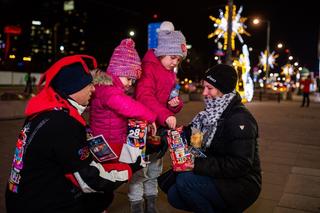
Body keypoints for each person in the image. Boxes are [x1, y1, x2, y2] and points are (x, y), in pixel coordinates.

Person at [5, 55, 141, 213]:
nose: (93, 89)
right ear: (73, 88)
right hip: (37, 205)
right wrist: (130, 167)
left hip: (21, 198)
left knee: (98, 196)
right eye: (89, 84)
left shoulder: (44, 113)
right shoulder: (63, 123)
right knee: (101, 194)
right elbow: (91, 180)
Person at [167, 64, 261, 213]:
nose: (204, 92)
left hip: (241, 183)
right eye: (204, 87)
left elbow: (240, 164)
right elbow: (195, 142)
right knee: (174, 195)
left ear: (223, 89)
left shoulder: (240, 119)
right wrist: (173, 134)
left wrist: (196, 165)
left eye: (209, 88)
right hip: (219, 174)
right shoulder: (208, 114)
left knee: (185, 182)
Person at [132, 21, 187, 213]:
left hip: (160, 125)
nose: (175, 63)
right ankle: (137, 203)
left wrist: (176, 104)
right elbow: (144, 97)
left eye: (179, 60)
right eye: (173, 57)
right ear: (162, 51)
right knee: (140, 169)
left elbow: (171, 97)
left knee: (155, 166)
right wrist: (165, 114)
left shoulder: (170, 73)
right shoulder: (149, 68)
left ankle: (152, 200)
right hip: (145, 125)